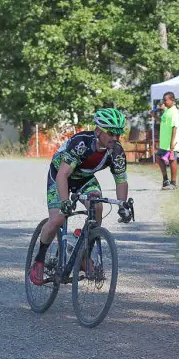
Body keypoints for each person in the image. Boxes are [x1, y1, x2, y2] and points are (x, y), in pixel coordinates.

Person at [30, 107, 132, 285]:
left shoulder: (117, 152)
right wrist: (65, 203)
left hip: (84, 178)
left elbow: (121, 180)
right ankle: (39, 259)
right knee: (57, 220)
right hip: (60, 175)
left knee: (97, 207)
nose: (115, 138)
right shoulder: (82, 143)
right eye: (111, 133)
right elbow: (63, 175)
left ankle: (84, 255)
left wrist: (122, 205)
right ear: (99, 130)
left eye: (118, 134)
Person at [157, 91, 179, 190]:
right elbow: (162, 121)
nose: (164, 102)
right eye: (164, 100)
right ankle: (165, 180)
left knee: (172, 160)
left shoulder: (174, 112)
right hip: (163, 142)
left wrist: (172, 143)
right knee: (158, 158)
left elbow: (174, 128)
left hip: (171, 142)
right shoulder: (167, 110)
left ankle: (173, 183)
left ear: (172, 100)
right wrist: (154, 115)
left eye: (166, 100)